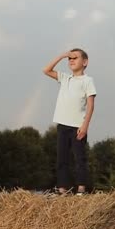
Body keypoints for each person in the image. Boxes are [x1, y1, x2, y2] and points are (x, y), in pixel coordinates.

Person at [43, 48, 96, 195]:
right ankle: (62, 189)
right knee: (62, 159)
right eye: (70, 59)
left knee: (79, 159)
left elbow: (91, 105)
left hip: (78, 127)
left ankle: (81, 189)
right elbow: (46, 70)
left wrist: (85, 126)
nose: (71, 60)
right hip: (62, 125)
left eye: (75, 58)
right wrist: (62, 55)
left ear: (85, 62)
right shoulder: (65, 78)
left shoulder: (87, 80)